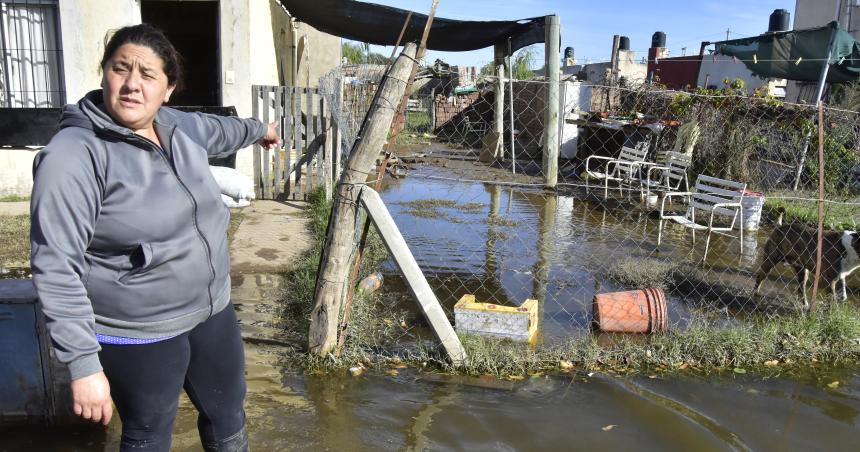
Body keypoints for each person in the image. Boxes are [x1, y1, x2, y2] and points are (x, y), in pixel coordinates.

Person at [30, 24, 279, 451]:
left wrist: (261, 130)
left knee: (228, 413)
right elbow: (55, 266)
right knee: (148, 432)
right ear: (103, 73)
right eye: (120, 68)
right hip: (137, 329)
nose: (131, 84)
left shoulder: (175, 125)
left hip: (210, 309)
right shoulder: (73, 155)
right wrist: (84, 366)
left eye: (147, 74)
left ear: (168, 89)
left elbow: (222, 130)